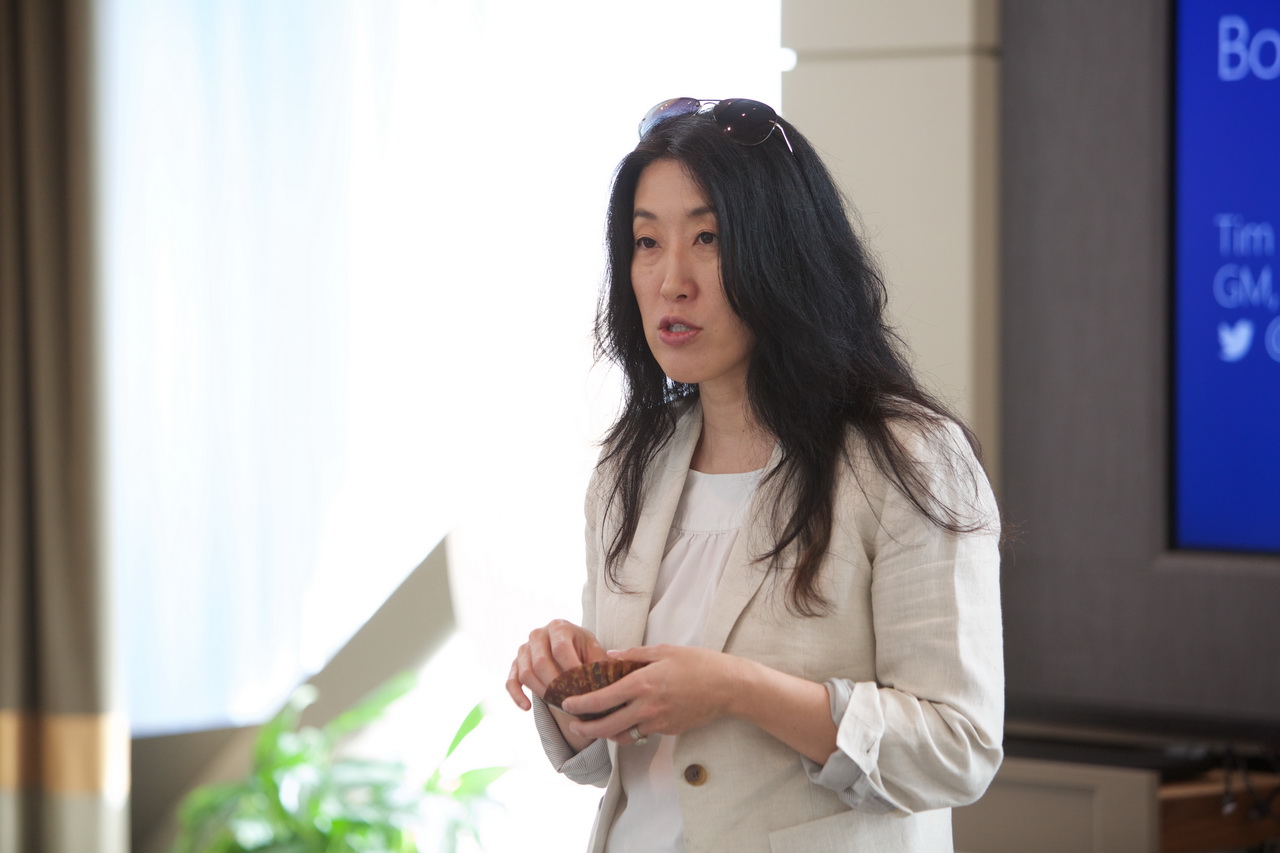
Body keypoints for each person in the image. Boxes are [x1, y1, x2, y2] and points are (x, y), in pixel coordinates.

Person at [505, 97, 1003, 853]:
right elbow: (616, 759)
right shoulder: (631, 464)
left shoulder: (906, 458)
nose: (672, 280)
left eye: (708, 238)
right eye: (647, 242)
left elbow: (957, 748)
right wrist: (572, 681)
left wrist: (737, 690)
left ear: (784, 251)